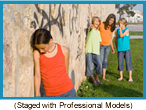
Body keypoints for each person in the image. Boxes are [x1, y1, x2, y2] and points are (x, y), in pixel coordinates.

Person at [31, 28, 76, 97]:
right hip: (50, 95)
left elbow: (66, 72)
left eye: (43, 48)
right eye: (38, 48)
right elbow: (37, 75)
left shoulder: (64, 50)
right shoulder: (37, 54)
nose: (41, 51)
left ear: (50, 41)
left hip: (68, 93)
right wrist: (37, 95)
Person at [98, 13, 116, 81]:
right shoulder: (101, 24)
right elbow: (96, 29)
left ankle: (103, 77)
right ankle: (98, 76)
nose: (111, 22)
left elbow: (110, 38)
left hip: (108, 46)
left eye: (112, 21)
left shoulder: (111, 27)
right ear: (108, 19)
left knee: (105, 61)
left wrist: (112, 48)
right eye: (110, 20)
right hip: (101, 45)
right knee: (101, 60)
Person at [85, 16, 103, 85]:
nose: (97, 22)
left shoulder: (98, 32)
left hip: (96, 52)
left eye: (98, 21)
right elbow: (90, 27)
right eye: (95, 21)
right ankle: (93, 80)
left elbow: (99, 43)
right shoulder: (90, 29)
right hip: (89, 50)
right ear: (93, 22)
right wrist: (91, 26)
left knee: (99, 65)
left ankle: (97, 78)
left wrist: (99, 53)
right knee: (89, 66)